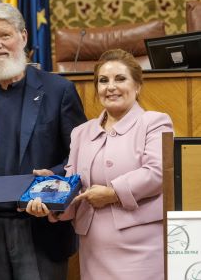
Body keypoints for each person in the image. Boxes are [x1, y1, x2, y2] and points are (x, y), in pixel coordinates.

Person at [0, 3, 87, 280]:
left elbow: (81, 155)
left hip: (40, 225)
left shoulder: (58, 90)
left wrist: (53, 184)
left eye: (4, 35)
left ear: (23, 37)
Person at [26, 49, 173, 279]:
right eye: (103, 81)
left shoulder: (155, 123)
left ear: (137, 86)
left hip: (142, 248)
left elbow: (158, 173)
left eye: (120, 79)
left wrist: (114, 193)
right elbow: (73, 186)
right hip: (94, 248)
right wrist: (51, 192)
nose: (110, 86)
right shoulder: (81, 133)